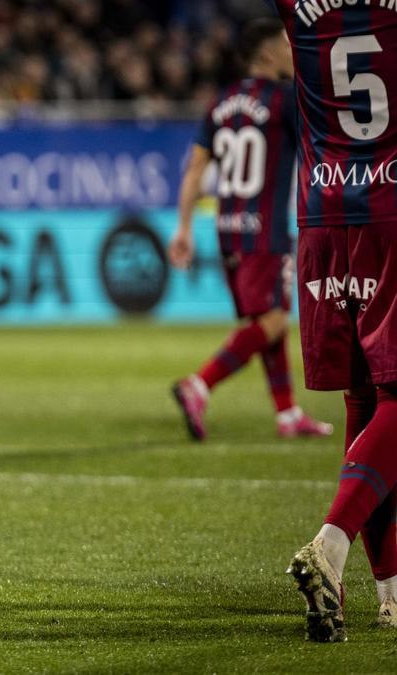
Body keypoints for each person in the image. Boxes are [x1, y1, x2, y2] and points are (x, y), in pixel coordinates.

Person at [265, 2, 397, 642]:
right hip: (392, 206)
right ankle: (334, 543)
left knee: (363, 398)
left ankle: (388, 593)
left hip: (321, 212)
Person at [169, 18, 331, 441]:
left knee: (265, 320)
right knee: (274, 321)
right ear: (265, 54)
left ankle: (288, 415)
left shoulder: (220, 102)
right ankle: (199, 385)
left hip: (228, 229)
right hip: (266, 230)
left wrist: (183, 227)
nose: (292, 51)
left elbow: (195, 170)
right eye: (284, 43)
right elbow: (323, 151)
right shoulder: (285, 99)